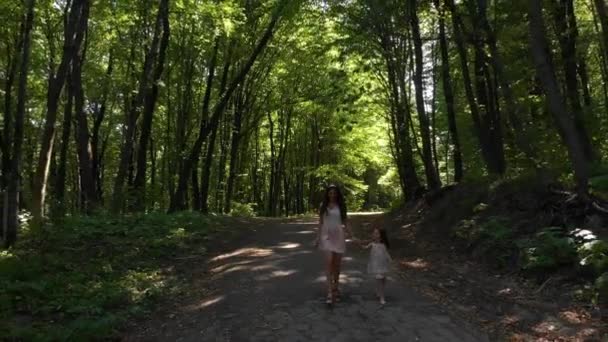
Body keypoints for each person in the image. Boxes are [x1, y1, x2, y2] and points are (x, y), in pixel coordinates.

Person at [314, 184, 351, 304]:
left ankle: (336, 288)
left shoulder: (341, 206)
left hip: (339, 236)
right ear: (327, 194)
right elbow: (320, 223)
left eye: (334, 192)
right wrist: (317, 238)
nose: (332, 195)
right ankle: (329, 292)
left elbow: (345, 222)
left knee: (337, 265)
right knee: (329, 262)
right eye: (330, 193)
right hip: (326, 237)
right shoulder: (323, 206)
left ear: (337, 194)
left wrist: (352, 235)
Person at [363, 226, 392, 305]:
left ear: (380, 235)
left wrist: (390, 260)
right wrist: (357, 242)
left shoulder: (383, 244)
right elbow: (364, 247)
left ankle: (378, 291)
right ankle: (382, 297)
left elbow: (386, 253)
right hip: (376, 265)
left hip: (383, 265)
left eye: (376, 233)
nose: (374, 234)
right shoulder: (372, 244)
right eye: (374, 233)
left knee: (383, 280)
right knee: (379, 279)